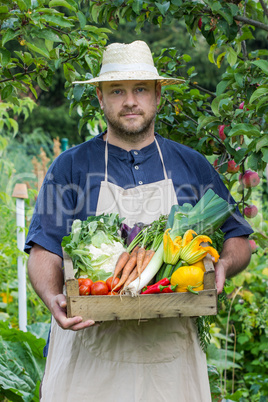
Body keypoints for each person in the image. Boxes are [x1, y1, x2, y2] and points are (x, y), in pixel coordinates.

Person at [25, 40, 253, 402]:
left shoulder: (191, 165)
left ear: (157, 95)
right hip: (88, 361)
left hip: (170, 365)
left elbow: (239, 238)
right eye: (117, 90)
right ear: (100, 97)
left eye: (140, 89)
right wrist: (53, 297)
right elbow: (43, 250)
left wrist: (223, 265)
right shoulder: (69, 167)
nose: (130, 101)